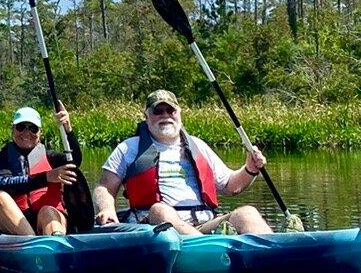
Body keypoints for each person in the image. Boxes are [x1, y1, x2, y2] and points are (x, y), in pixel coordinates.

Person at [92, 89, 271, 235]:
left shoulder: (198, 145)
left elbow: (231, 186)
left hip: (203, 224)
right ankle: (207, 250)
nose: (165, 116)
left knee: (247, 213)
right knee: (160, 210)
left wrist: (250, 169)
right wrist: (107, 209)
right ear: (147, 116)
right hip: (155, 228)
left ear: (179, 114)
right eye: (158, 111)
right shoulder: (128, 148)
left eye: (170, 111)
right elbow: (104, 187)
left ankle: (276, 256)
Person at [0, 104, 81, 237]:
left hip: (46, 220)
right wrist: (46, 177)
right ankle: (31, 241)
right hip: (15, 224)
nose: (26, 133)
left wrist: (68, 130)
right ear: (12, 130)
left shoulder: (53, 158)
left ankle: (55, 243)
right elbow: (1, 183)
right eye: (21, 127)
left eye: (33, 129)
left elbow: (75, 161)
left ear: (40, 134)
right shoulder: (0, 159)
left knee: (48, 211)